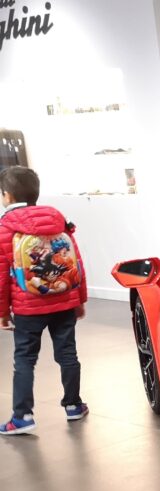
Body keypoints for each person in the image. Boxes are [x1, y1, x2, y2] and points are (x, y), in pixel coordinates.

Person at [0, 166, 89, 435]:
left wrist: (2, 311)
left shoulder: (5, 227)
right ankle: (73, 405)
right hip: (64, 300)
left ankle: (22, 416)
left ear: (7, 195)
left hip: (27, 306)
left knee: (25, 359)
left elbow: (2, 275)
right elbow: (77, 262)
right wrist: (79, 299)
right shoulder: (57, 219)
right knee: (68, 354)